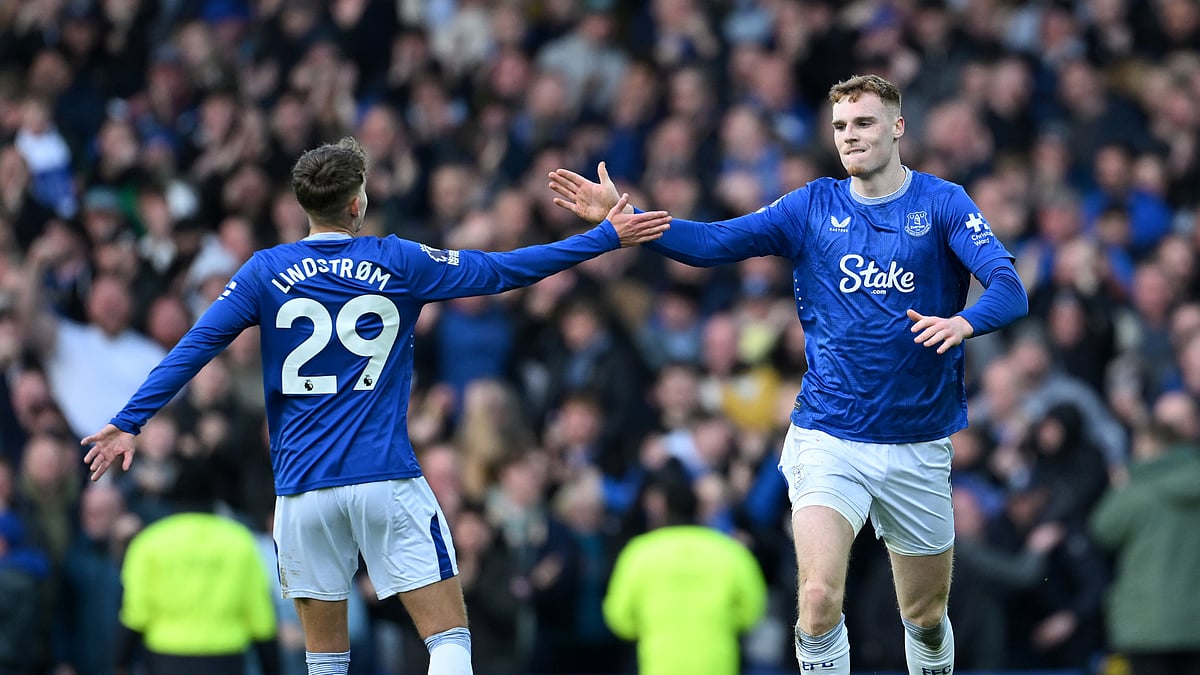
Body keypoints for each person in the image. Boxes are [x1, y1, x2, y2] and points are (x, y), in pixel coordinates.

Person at [80, 136, 671, 675]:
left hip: (301, 492)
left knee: (325, 659)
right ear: (358, 203)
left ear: (303, 205)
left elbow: (198, 344)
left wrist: (128, 422)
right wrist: (603, 237)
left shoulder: (265, 271)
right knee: (448, 640)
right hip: (384, 478)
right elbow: (501, 271)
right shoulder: (398, 260)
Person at [549, 74, 1028, 675]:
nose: (850, 137)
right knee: (819, 599)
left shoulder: (942, 203)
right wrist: (627, 220)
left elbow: (1009, 289)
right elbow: (713, 243)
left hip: (917, 441)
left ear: (898, 127)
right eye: (841, 127)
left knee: (925, 615)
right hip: (828, 434)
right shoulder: (810, 207)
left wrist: (963, 323)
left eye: (865, 123)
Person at [115, 457, 281, 675]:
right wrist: (273, 666)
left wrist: (120, 662)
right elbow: (259, 615)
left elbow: (136, 613)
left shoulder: (150, 543)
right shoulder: (240, 542)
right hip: (225, 659)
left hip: (167, 659)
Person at [602, 460, 767, 675]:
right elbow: (753, 610)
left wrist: (650, 625)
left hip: (658, 665)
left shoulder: (640, 552)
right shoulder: (729, 551)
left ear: (663, 509)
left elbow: (619, 617)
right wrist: (723, 622)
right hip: (718, 665)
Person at [1088, 419, 1200, 675]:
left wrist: (1120, 487)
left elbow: (1102, 530)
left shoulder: (1140, 487)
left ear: (1152, 445)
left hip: (1148, 624)